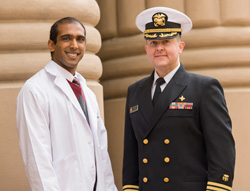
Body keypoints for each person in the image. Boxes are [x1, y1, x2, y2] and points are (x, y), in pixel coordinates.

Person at [122, 7, 235, 191]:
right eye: (153, 43)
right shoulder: (135, 91)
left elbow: (222, 152)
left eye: (166, 41)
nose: (159, 48)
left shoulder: (204, 88)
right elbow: (131, 156)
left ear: (180, 47)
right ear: (146, 49)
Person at [16, 17, 117, 191]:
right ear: (51, 45)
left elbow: (101, 155)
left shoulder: (88, 93)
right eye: (66, 38)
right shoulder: (35, 90)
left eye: (80, 39)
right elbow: (37, 161)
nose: (74, 45)